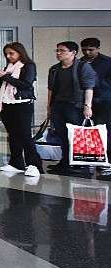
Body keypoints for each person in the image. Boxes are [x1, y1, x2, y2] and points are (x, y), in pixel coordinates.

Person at [46, 41, 96, 176]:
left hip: (75, 106)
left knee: (75, 136)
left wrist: (87, 106)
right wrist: (49, 106)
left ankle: (78, 165)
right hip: (58, 105)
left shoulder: (83, 68)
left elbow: (88, 88)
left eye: (62, 51)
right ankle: (65, 161)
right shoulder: (54, 69)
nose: (58, 53)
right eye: (57, 50)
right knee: (62, 134)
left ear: (73, 53)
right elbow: (50, 89)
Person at [0, 42, 42, 177]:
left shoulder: (28, 66)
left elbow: (26, 84)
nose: (8, 57)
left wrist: (4, 76)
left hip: (22, 104)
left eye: (11, 53)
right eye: (7, 54)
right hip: (7, 104)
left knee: (25, 134)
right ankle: (16, 163)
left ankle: (34, 164)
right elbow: (3, 85)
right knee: (13, 134)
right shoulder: (9, 67)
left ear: (20, 53)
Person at [80, 37, 111, 176]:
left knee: (105, 131)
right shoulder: (79, 62)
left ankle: (107, 160)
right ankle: (92, 159)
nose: (87, 52)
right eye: (84, 49)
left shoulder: (107, 62)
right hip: (85, 101)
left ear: (98, 48)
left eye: (91, 50)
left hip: (103, 100)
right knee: (88, 131)